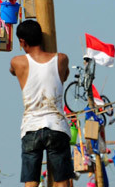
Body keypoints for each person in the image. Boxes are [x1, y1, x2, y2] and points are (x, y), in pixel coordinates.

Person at [9, 20, 72, 187]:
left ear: (22, 41)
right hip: (57, 126)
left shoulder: (17, 62)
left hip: (31, 127)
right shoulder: (61, 59)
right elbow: (64, 76)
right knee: (62, 181)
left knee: (31, 182)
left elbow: (12, 71)